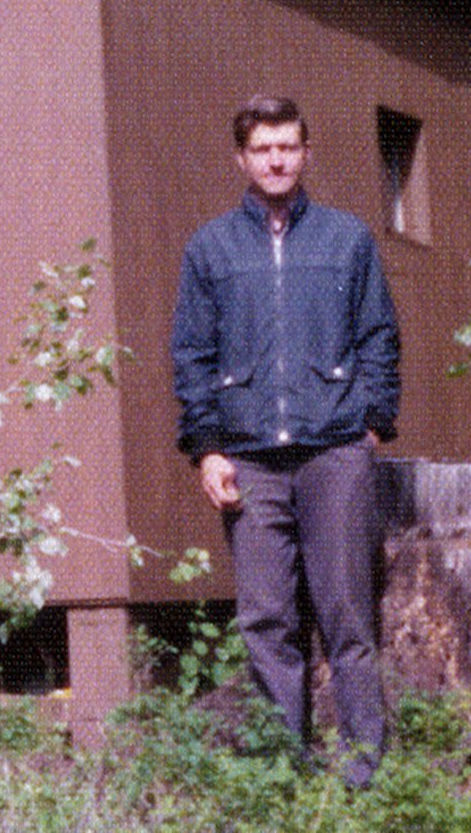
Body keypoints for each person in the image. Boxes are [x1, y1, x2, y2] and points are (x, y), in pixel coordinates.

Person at [171, 94, 400, 788]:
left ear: (305, 153)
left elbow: (379, 336)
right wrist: (207, 448)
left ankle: (366, 775)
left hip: (334, 452)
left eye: (288, 147)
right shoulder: (211, 248)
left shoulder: (346, 239)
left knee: (348, 615)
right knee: (267, 620)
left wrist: (371, 420)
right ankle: (285, 776)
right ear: (241, 158)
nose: (276, 159)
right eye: (263, 148)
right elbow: (191, 355)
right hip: (249, 460)